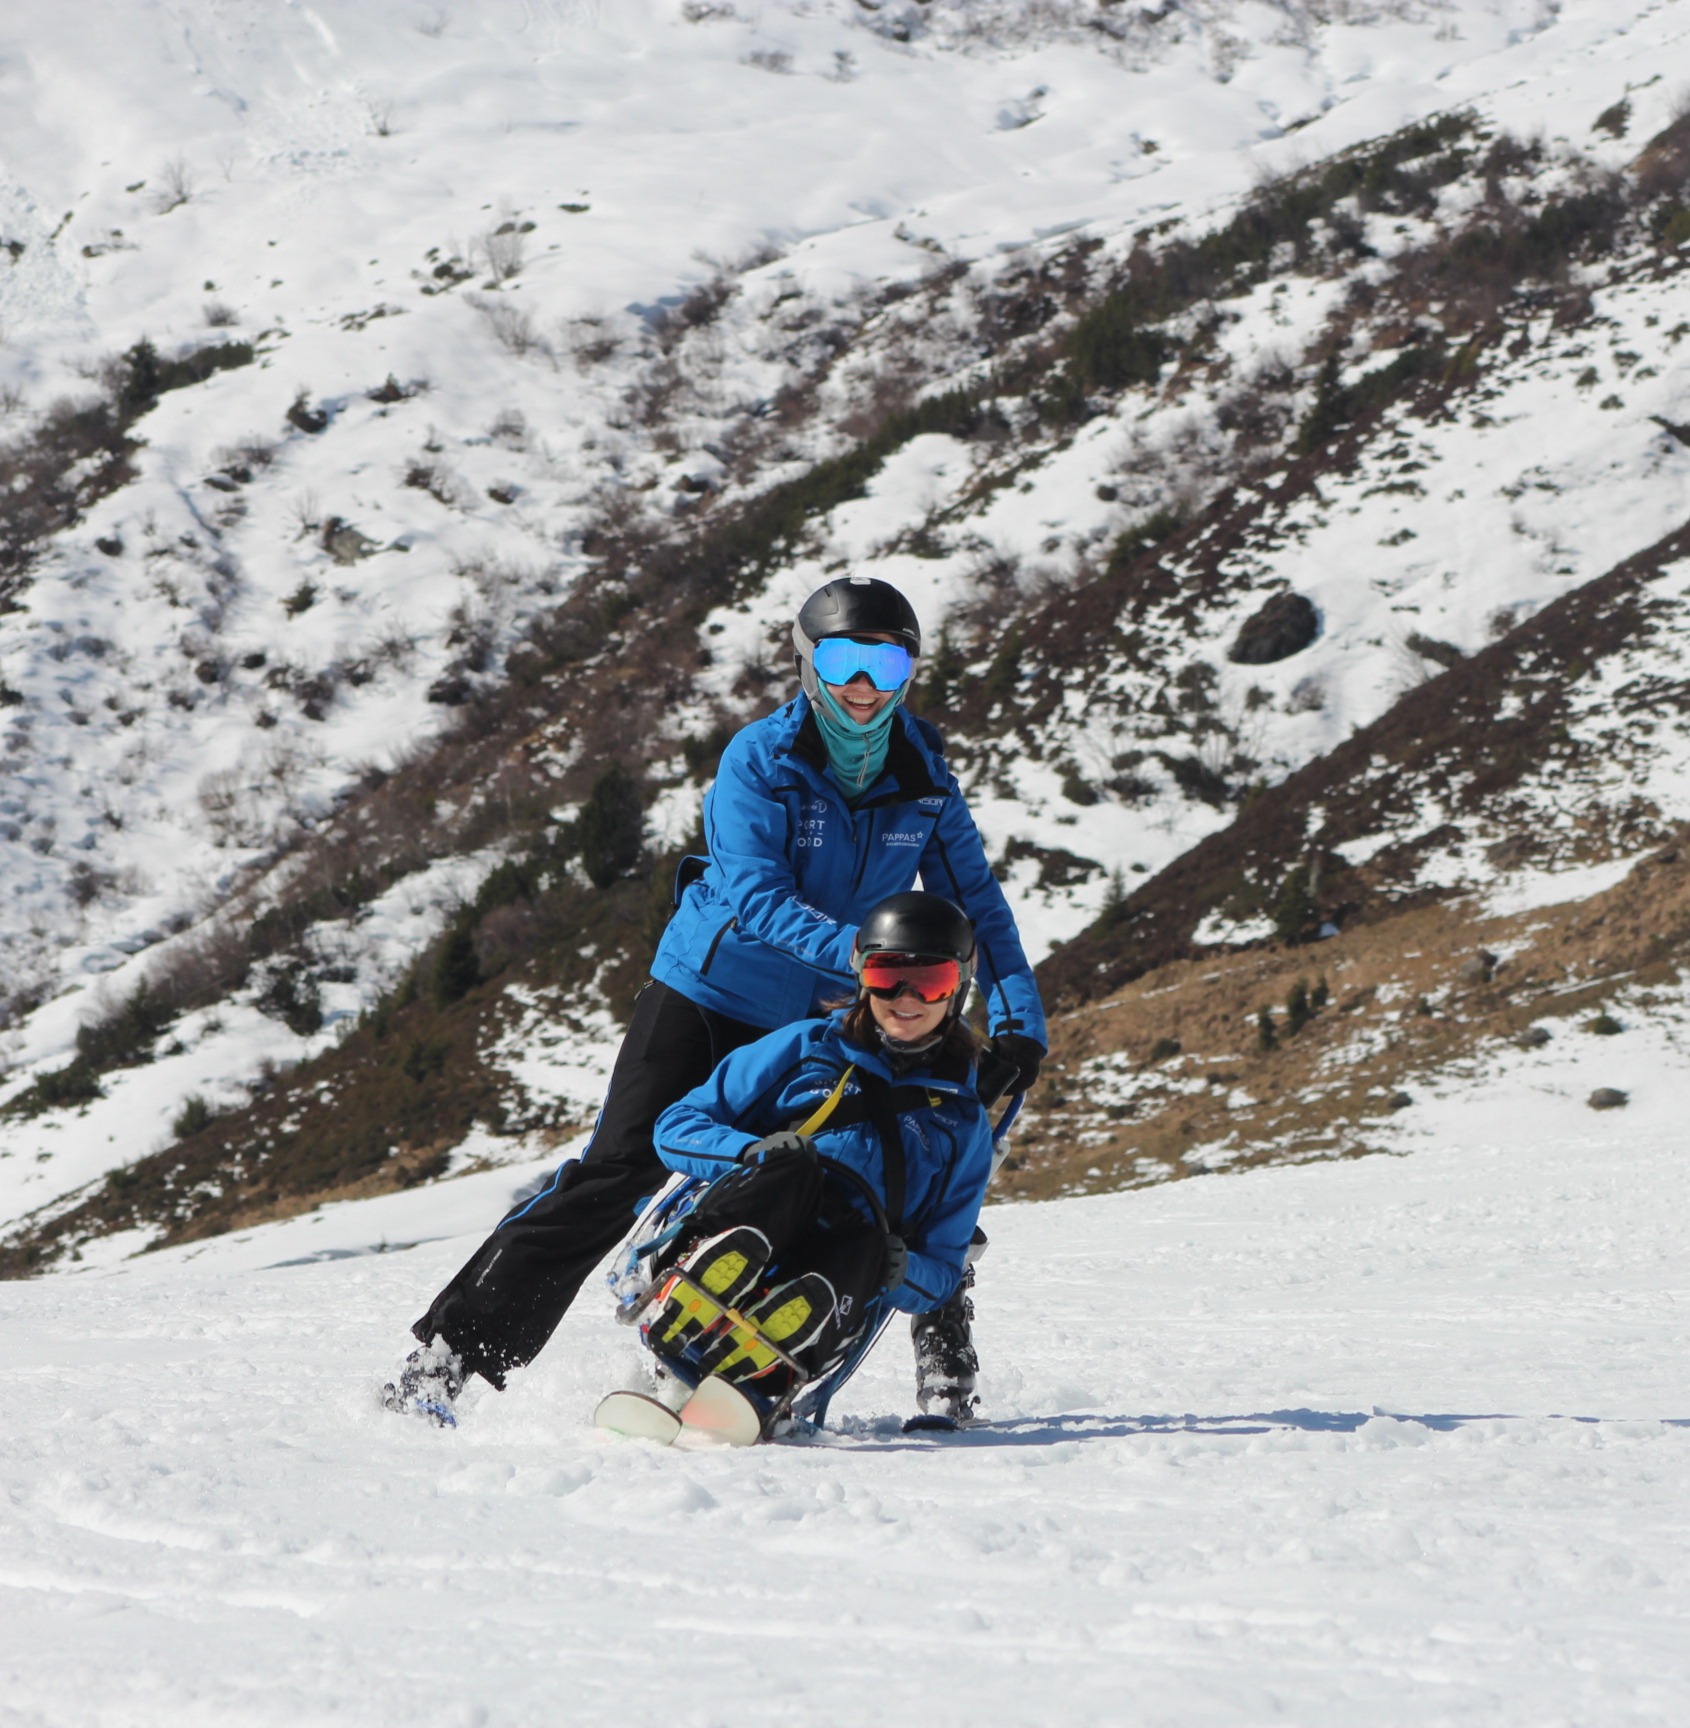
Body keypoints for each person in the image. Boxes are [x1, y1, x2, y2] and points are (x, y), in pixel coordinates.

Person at [385, 575, 1045, 1426]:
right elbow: (756, 897)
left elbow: (974, 906)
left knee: (907, 1157)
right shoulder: (761, 760)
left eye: (886, 664)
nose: (863, 685)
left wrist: (1018, 1022)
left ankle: (926, 1366)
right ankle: (446, 1361)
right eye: (843, 661)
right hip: (711, 993)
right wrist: (866, 958)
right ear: (807, 664)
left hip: (831, 1009)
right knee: (617, 1174)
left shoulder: (922, 773)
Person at [642, 892, 994, 1401]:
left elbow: (941, 1269)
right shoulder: (807, 1048)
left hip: (840, 1269)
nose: (906, 997)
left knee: (868, 1246)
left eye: (930, 980)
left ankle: (762, 1364)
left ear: (957, 988)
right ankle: (694, 1293)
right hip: (757, 1210)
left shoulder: (960, 1122)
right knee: (792, 1170)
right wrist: (749, 1153)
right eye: (886, 974)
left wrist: (901, 1270)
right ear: (860, 975)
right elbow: (676, 1125)